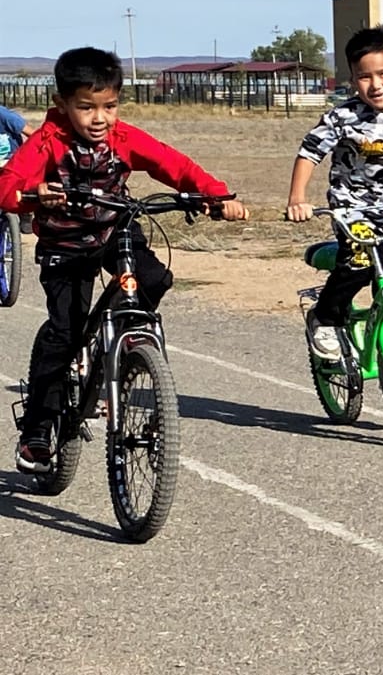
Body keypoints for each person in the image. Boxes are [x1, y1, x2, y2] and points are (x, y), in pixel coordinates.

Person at [0, 47, 248, 472]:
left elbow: (172, 164)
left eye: (110, 106)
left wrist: (215, 194)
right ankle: (38, 429)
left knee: (154, 279)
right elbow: (8, 185)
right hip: (65, 245)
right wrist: (32, 195)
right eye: (86, 107)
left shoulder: (124, 138)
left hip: (116, 229)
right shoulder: (46, 143)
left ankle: (117, 347)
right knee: (65, 332)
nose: (100, 118)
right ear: (62, 103)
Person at [285, 25, 383, 361]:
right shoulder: (342, 117)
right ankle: (325, 317)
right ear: (353, 80)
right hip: (353, 208)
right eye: (365, 77)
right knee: (359, 263)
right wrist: (297, 198)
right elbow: (309, 153)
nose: (376, 85)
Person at [0, 104, 39, 233]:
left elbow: (32, 133)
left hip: (11, 159)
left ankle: (25, 212)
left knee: (22, 183)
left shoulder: (4, 115)